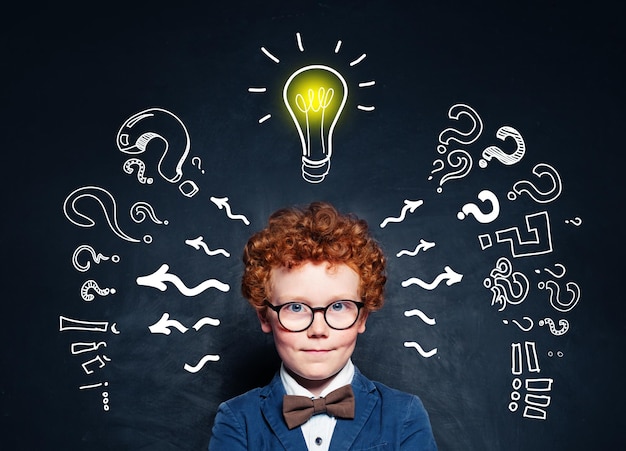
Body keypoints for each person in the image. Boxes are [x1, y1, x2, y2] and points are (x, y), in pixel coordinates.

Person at [209, 202, 437, 450]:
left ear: (362, 317)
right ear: (265, 317)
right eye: (295, 307)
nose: (318, 330)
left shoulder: (404, 416)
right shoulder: (237, 420)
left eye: (338, 306)